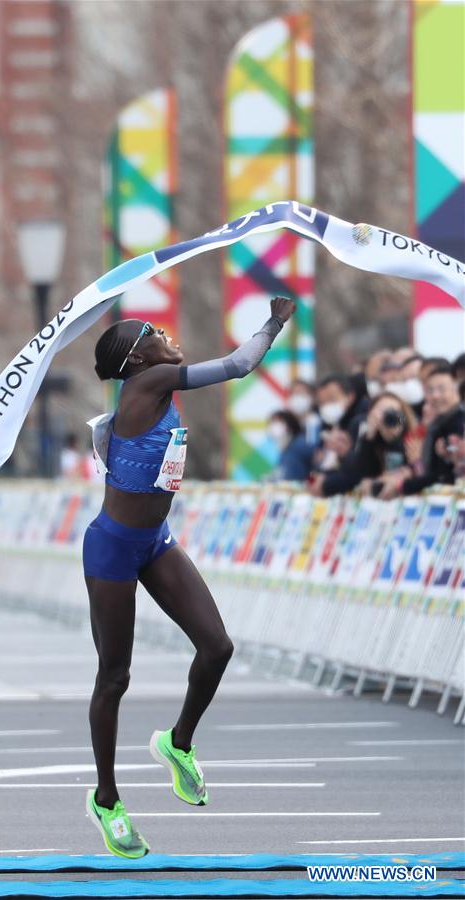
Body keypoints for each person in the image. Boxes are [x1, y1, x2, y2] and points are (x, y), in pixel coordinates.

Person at [83, 296, 296, 858]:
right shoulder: (148, 382)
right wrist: (274, 321)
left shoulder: (155, 387)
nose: (166, 333)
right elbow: (238, 365)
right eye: (153, 330)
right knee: (114, 677)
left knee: (217, 646)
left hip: (154, 541)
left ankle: (178, 744)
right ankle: (107, 800)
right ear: (137, 358)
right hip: (111, 549)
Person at [310, 392, 416, 497]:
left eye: (393, 412)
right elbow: (356, 473)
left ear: (402, 416)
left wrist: (394, 439)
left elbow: (400, 471)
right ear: (370, 413)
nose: (388, 416)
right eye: (381, 411)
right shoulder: (362, 428)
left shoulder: (410, 435)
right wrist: (368, 437)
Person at [382, 366, 465, 498]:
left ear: (456, 387)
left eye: (442, 389)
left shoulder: (458, 423)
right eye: (430, 390)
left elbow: (444, 475)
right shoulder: (436, 425)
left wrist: (403, 485)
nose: (435, 396)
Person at [314, 373, 367, 472]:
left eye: (331, 399)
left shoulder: (362, 418)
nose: (326, 405)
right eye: (322, 402)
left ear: (350, 396)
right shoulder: (328, 424)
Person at [267, 410, 314, 482]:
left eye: (277, 422)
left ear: (288, 424)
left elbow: (317, 468)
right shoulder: (284, 448)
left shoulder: (301, 444)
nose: (273, 426)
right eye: (272, 423)